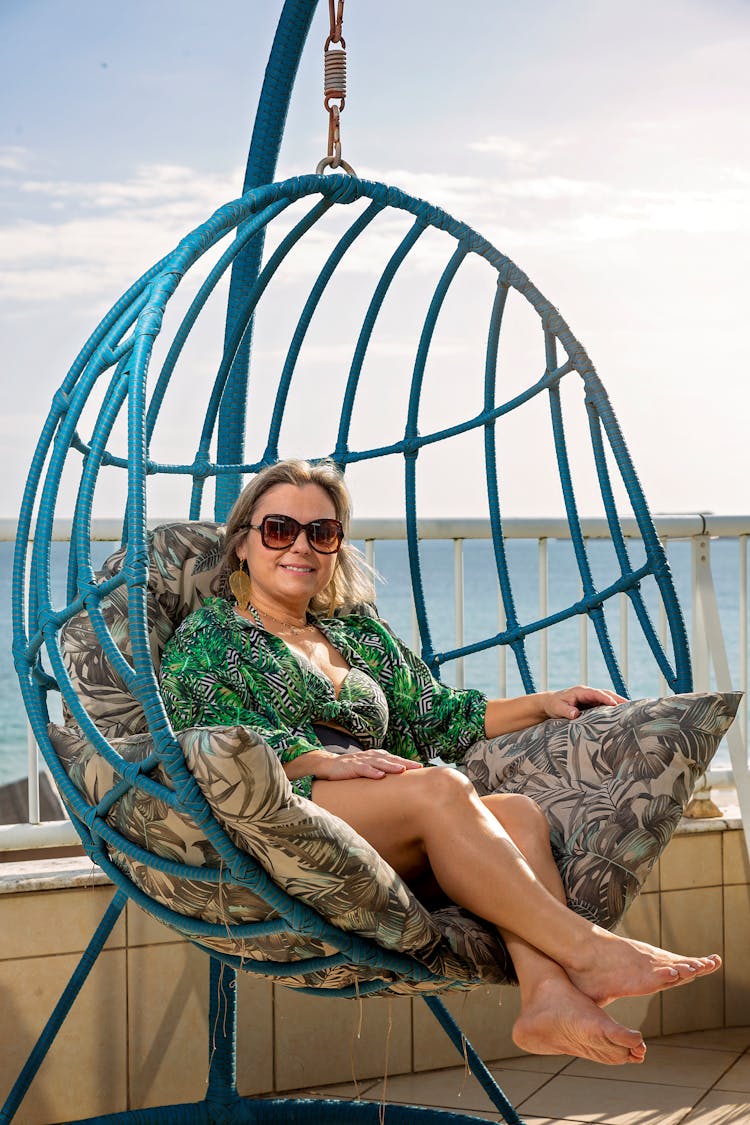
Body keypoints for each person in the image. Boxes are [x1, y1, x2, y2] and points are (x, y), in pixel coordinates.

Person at [160, 458, 721, 1067]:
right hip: (292, 817)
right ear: (242, 543)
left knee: (519, 815)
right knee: (442, 790)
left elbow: (437, 714)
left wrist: (542, 703)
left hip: (390, 818)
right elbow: (200, 734)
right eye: (279, 530)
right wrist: (312, 758)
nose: (301, 546)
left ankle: (546, 996)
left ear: (336, 547)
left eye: (321, 533)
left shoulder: (357, 634)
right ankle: (588, 950)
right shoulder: (209, 634)